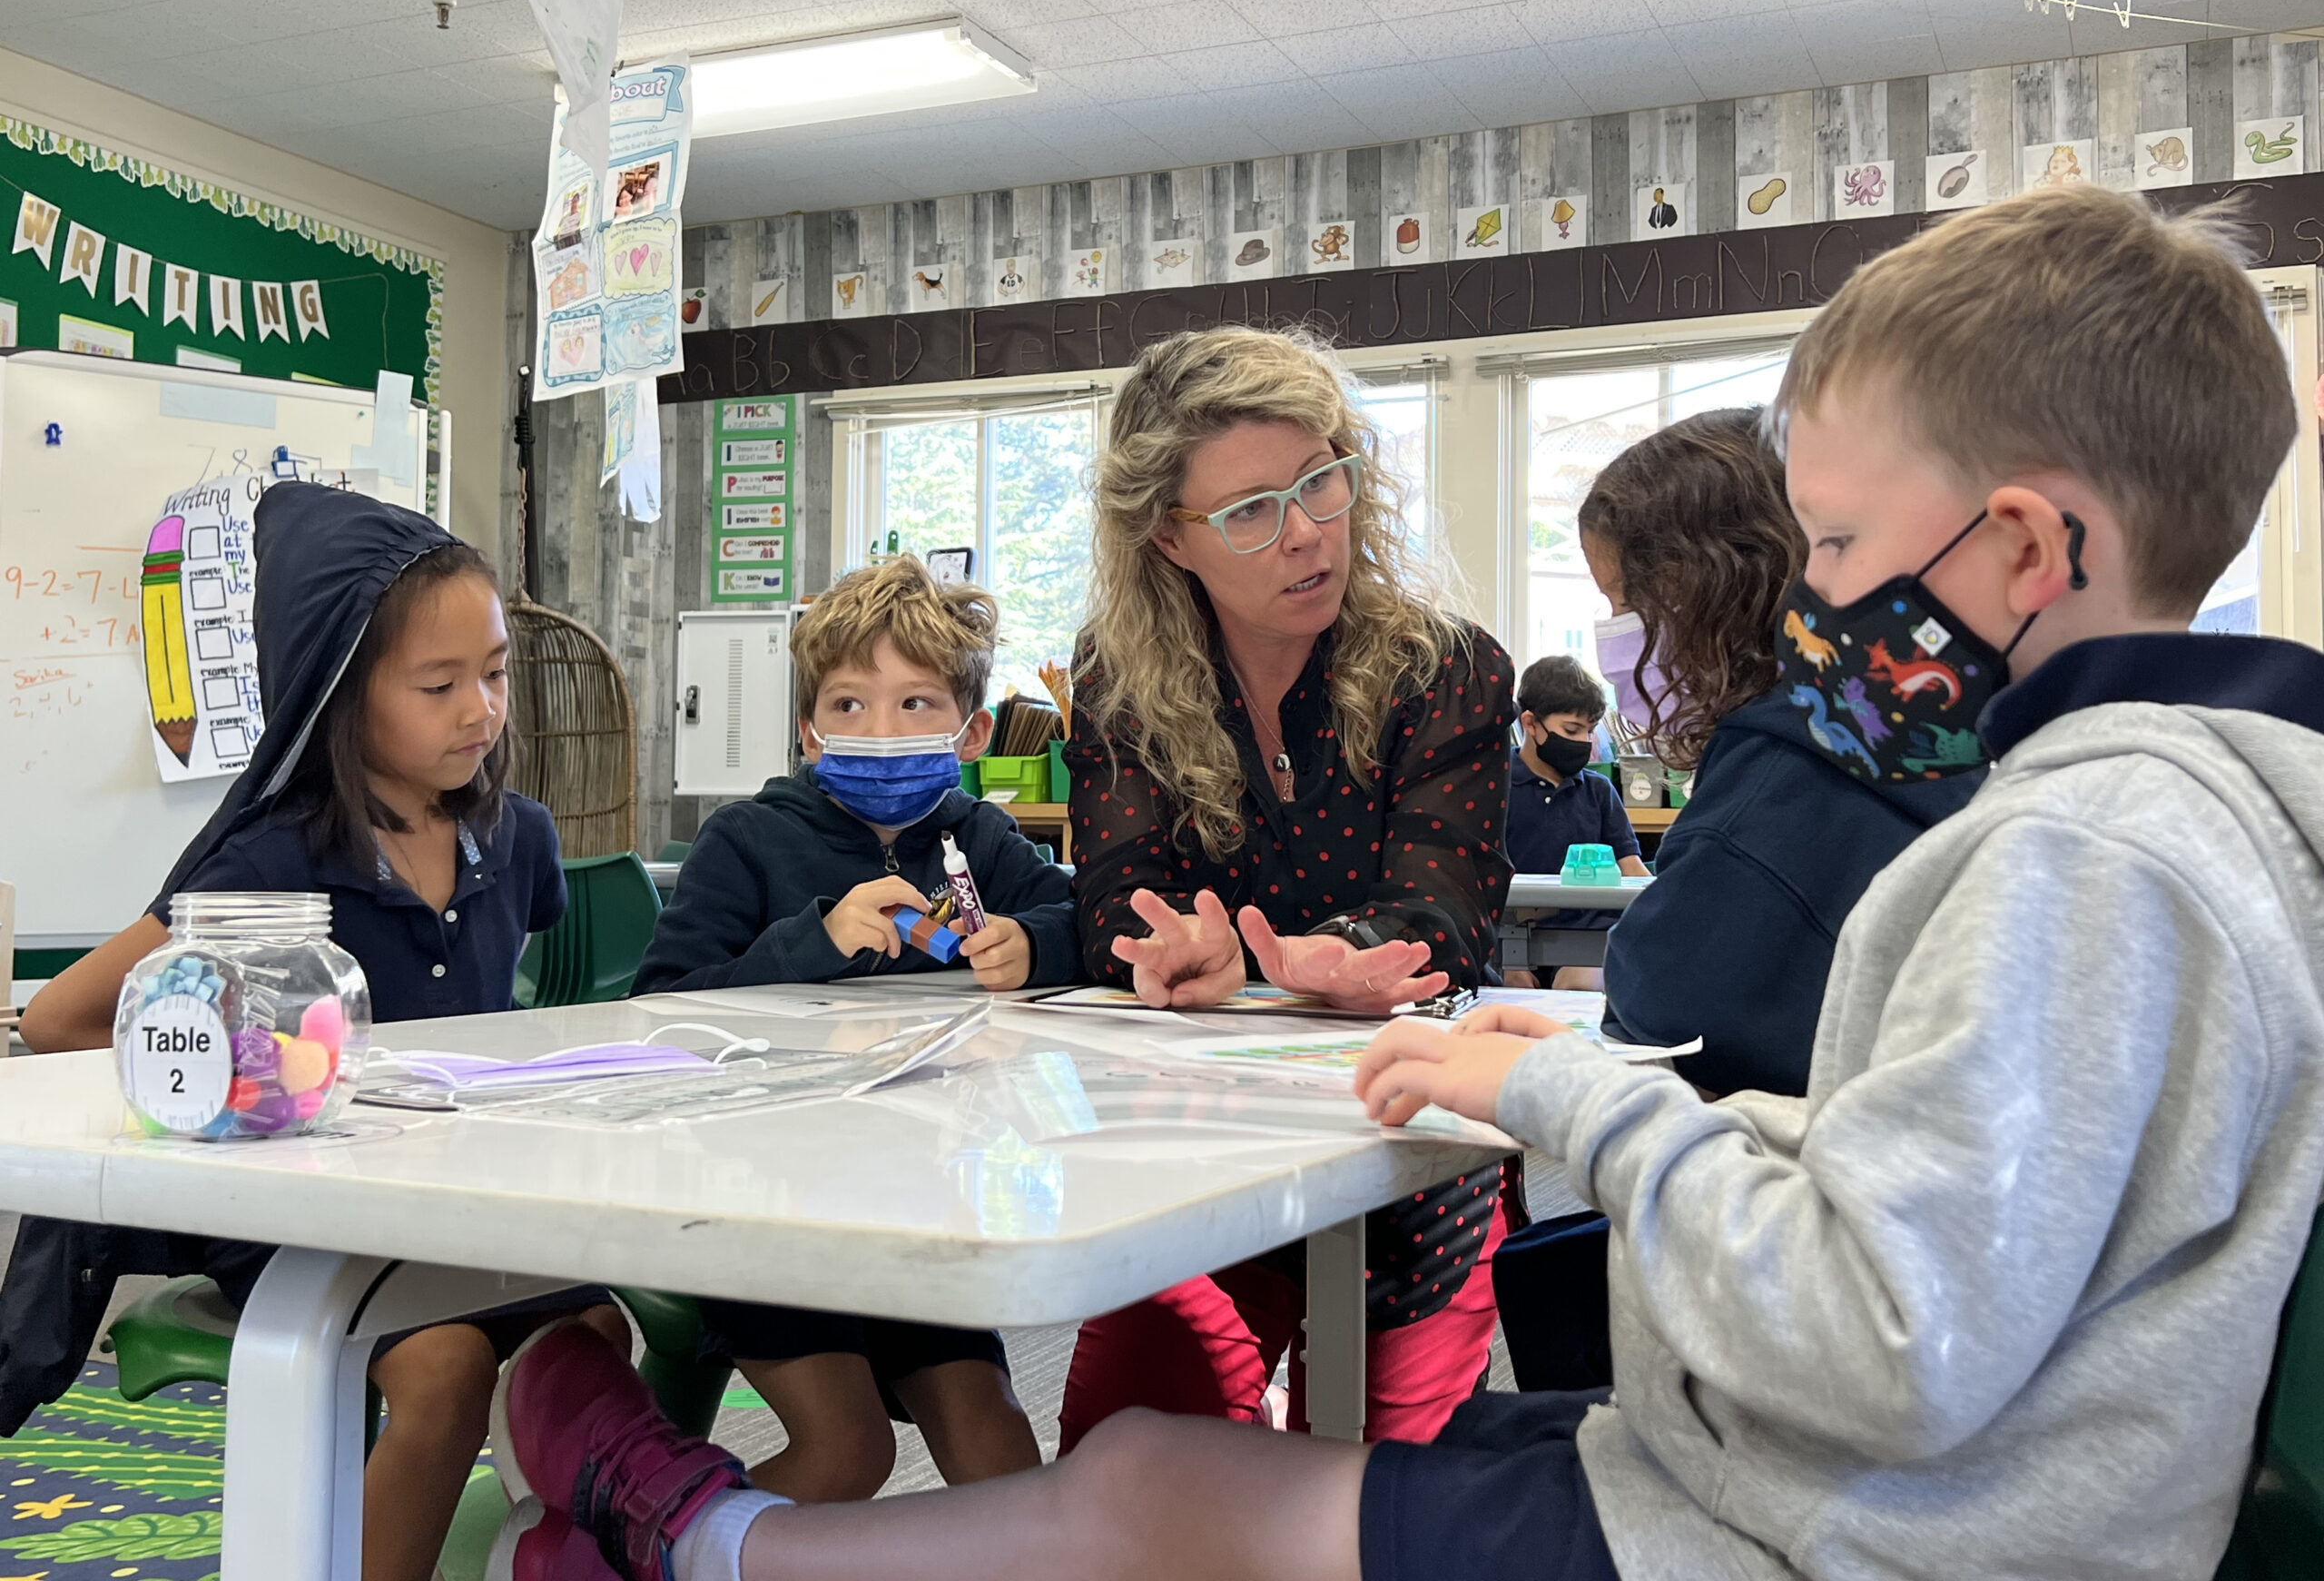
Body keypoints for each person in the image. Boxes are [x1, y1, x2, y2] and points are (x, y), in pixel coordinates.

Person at [480, 187, 2324, 1581]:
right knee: (1151, 1456)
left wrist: (1566, 1091)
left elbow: (1891, 1338)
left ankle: (693, 1534)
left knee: (1146, 1496)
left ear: (2018, 543)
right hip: (1847, 1497)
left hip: (1841, 1529)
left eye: (1833, 545)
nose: (1808, 600)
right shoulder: (2173, 817)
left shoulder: (2080, 855)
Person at [2, 482, 627, 1581]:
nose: (480, 711)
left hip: (465, 1198)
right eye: (440, 685)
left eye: (493, 674)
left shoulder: (515, 837)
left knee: (594, 1333)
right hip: (304, 1212)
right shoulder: (271, 862)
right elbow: (59, 1016)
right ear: (337, 693)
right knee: (438, 1372)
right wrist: (225, 1090)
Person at [1049, 324, 1517, 1449]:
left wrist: (1312, 956)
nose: (1307, 532)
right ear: (1169, 538)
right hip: (1201, 1146)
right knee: (1124, 1456)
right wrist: (1163, 948)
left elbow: (1441, 916)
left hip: (1411, 1135)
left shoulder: (1447, 667)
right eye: (1250, 511)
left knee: (1373, 1501)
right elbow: (1116, 904)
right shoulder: (1119, 681)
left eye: (1322, 481)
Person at [629, 556, 1060, 1500]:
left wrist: (1031, 942)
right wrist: (810, 941)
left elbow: (1088, 925)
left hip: (918, 1209)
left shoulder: (978, 841)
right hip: (766, 1207)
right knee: (848, 1451)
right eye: (850, 705)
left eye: (916, 705)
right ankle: (635, 1540)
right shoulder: (745, 840)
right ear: (809, 731)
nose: (882, 729)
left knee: (997, 1440)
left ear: (971, 729)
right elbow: (664, 1009)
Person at [1580, 407, 1987, 1098]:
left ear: (1697, 590)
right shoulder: (1910, 724)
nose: (1615, 634)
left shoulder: (1780, 774)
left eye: (1623, 600)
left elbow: (1665, 1000)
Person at [1502, 654, 1647, 989]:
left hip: (1589, 941)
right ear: (1530, 723)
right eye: (1572, 729)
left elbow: (1634, 874)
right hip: (1510, 938)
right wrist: (1509, 958)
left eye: (1590, 731)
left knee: (1580, 984)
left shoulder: (1599, 791)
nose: (1584, 742)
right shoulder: (1495, 788)